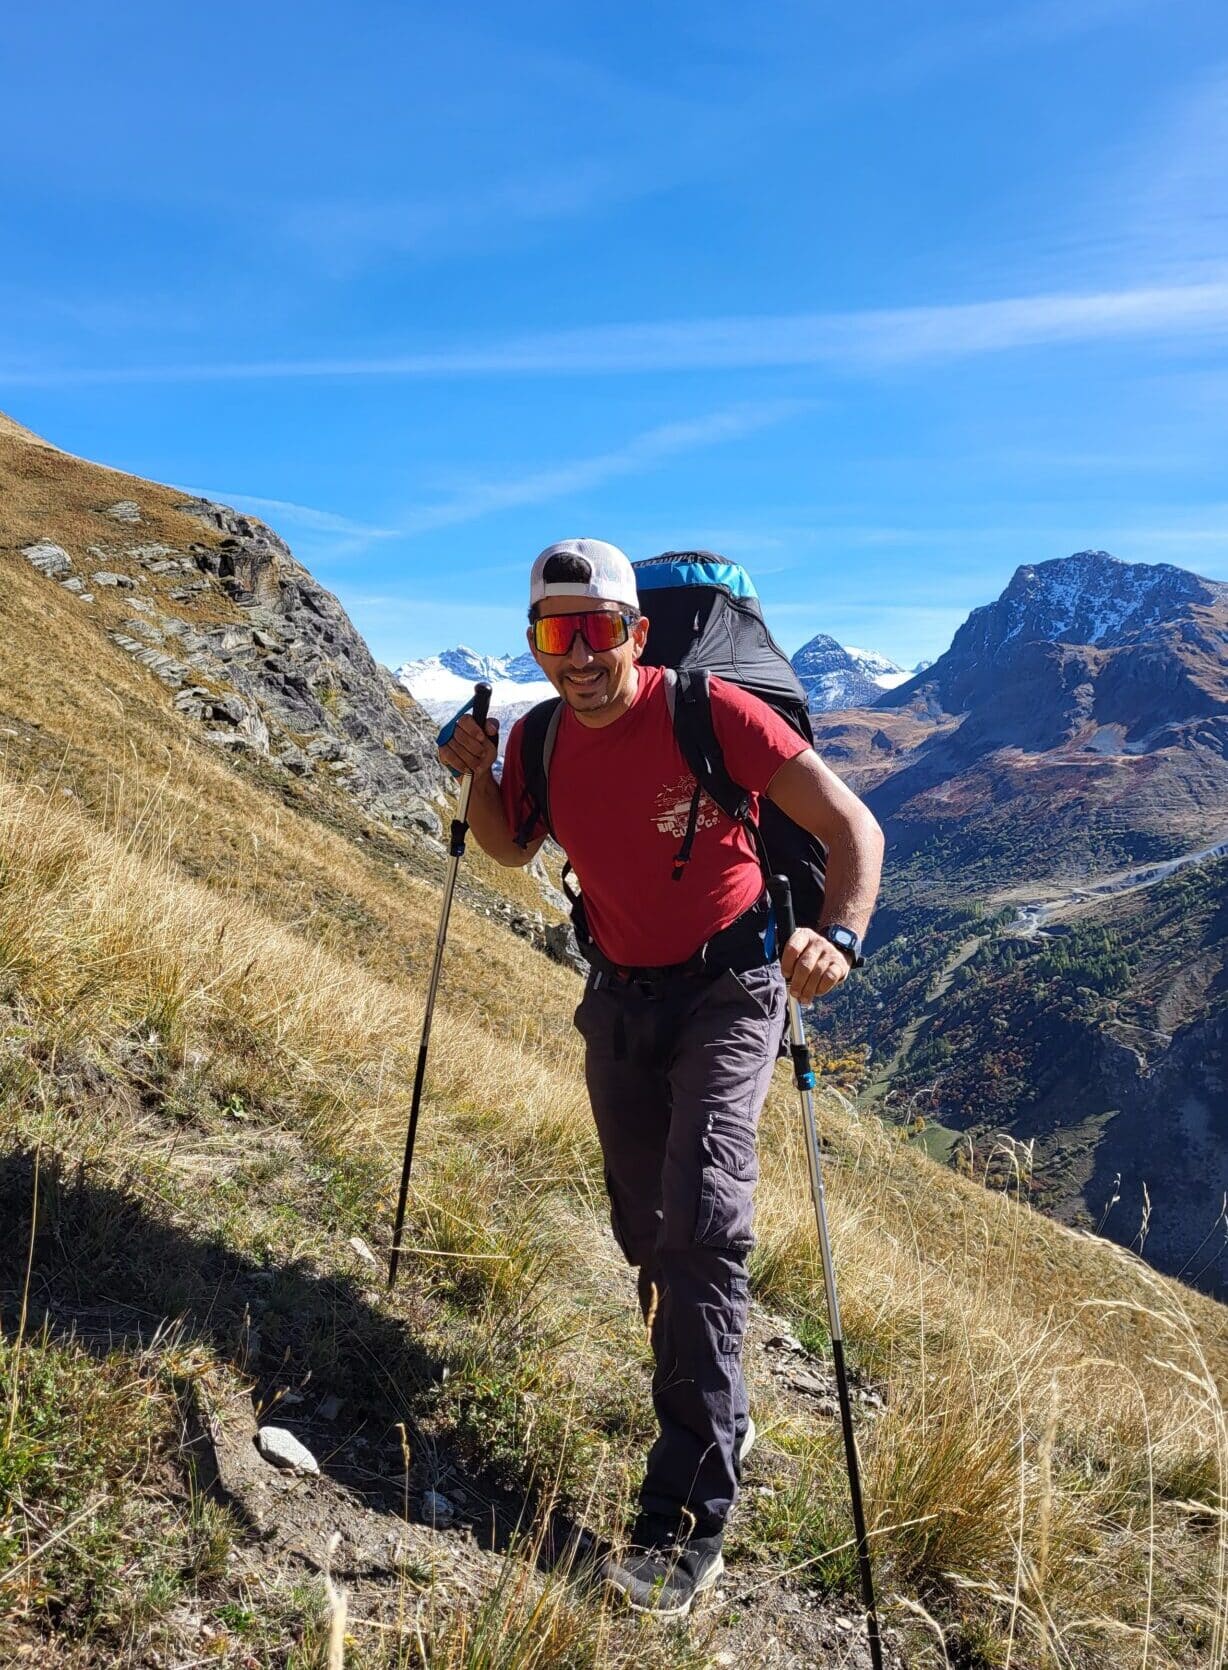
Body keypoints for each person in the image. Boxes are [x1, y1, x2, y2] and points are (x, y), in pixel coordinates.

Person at [438, 537, 884, 1617]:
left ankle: (688, 1512)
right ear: (538, 642)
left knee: (698, 1227)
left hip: (731, 995)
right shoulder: (540, 734)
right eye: (556, 632)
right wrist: (471, 773)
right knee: (646, 1230)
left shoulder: (712, 714)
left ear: (637, 630)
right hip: (620, 997)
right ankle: (708, 1398)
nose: (579, 654)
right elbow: (504, 849)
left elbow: (849, 824)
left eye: (598, 629)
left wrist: (841, 936)